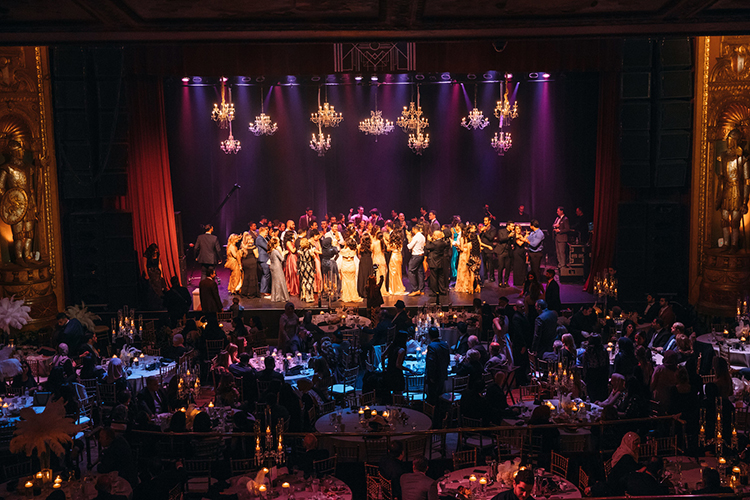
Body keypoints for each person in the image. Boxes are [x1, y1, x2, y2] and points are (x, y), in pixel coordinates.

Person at [715, 128, 749, 253]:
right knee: (724, 220)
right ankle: (726, 243)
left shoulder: (743, 158)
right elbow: (721, 176)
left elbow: (746, 180)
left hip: (737, 191)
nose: (729, 142)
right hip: (725, 190)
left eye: (731, 139)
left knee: (735, 220)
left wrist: (745, 201)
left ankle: (734, 244)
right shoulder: (723, 156)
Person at [382, 331, 414, 398]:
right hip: (396, 374)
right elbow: (398, 365)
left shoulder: (392, 345)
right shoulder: (401, 350)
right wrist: (409, 370)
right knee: (398, 393)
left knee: (392, 391)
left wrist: (384, 369)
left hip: (389, 371)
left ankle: (393, 404)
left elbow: (382, 355)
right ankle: (399, 405)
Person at [425, 326, 449, 405]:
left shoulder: (432, 346)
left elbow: (431, 362)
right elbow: (447, 359)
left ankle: (433, 413)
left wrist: (431, 377)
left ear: (429, 336)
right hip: (443, 373)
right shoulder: (445, 344)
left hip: (435, 376)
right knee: (440, 395)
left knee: (433, 398)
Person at [582, 334, 609, 403]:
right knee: (602, 394)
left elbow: (585, 365)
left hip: (592, 374)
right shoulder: (604, 350)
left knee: (593, 395)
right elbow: (607, 363)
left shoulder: (587, 352)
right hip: (602, 373)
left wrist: (585, 377)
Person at [425, 230, 448, 296]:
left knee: (434, 278)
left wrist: (429, 240)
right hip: (441, 262)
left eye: (434, 235)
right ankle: (442, 290)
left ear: (436, 236)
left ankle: (434, 292)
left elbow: (427, 247)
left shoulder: (435, 244)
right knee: (441, 278)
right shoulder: (443, 243)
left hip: (434, 263)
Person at [339, 238, 362, 303]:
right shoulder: (354, 250)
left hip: (345, 267)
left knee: (345, 281)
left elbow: (341, 253)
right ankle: (353, 295)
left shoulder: (343, 251)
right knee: (352, 281)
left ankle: (346, 296)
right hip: (352, 266)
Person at [268, 237, 290, 302]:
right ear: (275, 244)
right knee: (280, 281)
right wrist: (284, 253)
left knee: (275, 282)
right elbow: (282, 259)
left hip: (273, 266)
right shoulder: (275, 251)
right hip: (277, 267)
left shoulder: (270, 251)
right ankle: (281, 297)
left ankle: (275, 297)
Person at [238, 232, 259, 298]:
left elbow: (239, 256)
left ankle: (244, 292)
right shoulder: (253, 247)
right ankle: (251, 294)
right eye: (251, 238)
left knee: (246, 277)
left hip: (245, 263)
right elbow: (257, 256)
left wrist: (240, 265)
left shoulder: (243, 248)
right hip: (252, 263)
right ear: (249, 240)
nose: (252, 239)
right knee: (252, 277)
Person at [407, 225, 426, 296]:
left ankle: (415, 289)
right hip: (421, 255)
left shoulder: (416, 237)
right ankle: (422, 290)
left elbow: (409, 246)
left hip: (416, 256)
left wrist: (409, 239)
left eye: (412, 230)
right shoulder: (423, 236)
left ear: (415, 229)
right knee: (420, 272)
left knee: (410, 271)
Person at [387, 229, 406, 295]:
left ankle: (393, 288)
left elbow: (388, 249)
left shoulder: (392, 243)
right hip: (399, 256)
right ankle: (399, 286)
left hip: (394, 257)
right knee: (398, 272)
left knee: (393, 272)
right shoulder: (400, 242)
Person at [494, 221, 514, 287]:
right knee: (501, 267)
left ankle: (506, 281)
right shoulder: (501, 231)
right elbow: (501, 239)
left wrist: (513, 237)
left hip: (508, 252)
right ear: (508, 226)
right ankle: (500, 282)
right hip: (501, 251)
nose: (513, 227)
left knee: (508, 268)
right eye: (512, 226)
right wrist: (509, 236)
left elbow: (512, 241)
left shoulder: (512, 233)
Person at [297, 237, 316, 303]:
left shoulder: (300, 251)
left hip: (302, 266)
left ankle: (303, 295)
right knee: (310, 281)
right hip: (308, 266)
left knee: (304, 280)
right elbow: (313, 257)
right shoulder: (309, 251)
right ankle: (309, 297)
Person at [480, 216, 497, 282]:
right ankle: (485, 276)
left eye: (486, 220)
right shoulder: (482, 227)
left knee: (490, 263)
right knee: (483, 262)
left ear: (489, 221)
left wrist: (485, 231)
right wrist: (481, 231)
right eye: (484, 220)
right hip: (483, 247)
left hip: (489, 247)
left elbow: (490, 238)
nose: (484, 222)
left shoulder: (493, 228)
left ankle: (492, 277)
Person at [256, 226, 271, 296]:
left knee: (266, 274)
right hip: (263, 259)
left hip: (266, 258)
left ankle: (266, 289)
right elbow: (267, 247)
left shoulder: (264, 238)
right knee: (266, 274)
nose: (267, 233)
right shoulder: (259, 239)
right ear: (261, 231)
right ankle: (263, 290)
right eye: (266, 232)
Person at [357, 232, 373, 298]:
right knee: (369, 275)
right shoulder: (371, 246)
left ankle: (362, 291)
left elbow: (358, 254)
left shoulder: (359, 246)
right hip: (369, 261)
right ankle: (369, 292)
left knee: (362, 275)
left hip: (363, 261)